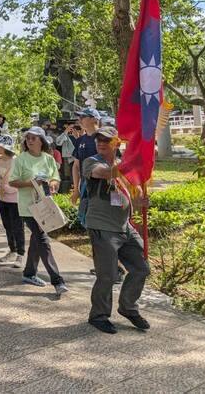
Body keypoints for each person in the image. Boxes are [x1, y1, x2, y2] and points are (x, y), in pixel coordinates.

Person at [83, 127, 151, 334]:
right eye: (98, 139)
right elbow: (104, 173)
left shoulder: (124, 166)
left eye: (106, 140)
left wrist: (141, 201)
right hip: (102, 227)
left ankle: (128, 307)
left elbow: (134, 198)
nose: (101, 143)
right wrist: (133, 160)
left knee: (141, 268)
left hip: (124, 227)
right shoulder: (92, 162)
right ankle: (98, 316)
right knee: (108, 275)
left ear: (117, 143)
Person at [9, 127, 68, 296]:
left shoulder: (48, 158)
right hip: (28, 208)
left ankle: (29, 273)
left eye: (33, 138)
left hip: (45, 205)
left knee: (37, 239)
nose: (29, 141)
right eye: (28, 138)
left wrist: (53, 184)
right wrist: (32, 183)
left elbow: (55, 177)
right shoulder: (21, 159)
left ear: (41, 141)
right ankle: (57, 281)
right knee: (42, 239)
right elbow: (12, 182)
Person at [0, 135, 25, 267]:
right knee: (7, 225)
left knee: (18, 226)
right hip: (2, 199)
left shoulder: (17, 161)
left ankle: (20, 254)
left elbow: (21, 182)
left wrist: (5, 188)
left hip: (15, 199)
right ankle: (12, 250)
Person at [71, 108, 101, 206]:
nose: (79, 120)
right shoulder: (80, 140)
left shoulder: (104, 138)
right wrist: (76, 189)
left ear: (94, 119)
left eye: (83, 117)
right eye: (79, 117)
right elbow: (76, 166)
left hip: (102, 189)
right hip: (85, 189)